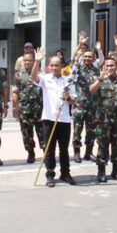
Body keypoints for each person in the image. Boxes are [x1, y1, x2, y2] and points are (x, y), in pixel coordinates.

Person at [32, 48, 77, 187]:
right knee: (49, 148)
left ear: (62, 66)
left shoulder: (68, 80)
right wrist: (37, 61)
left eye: (57, 65)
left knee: (64, 149)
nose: (54, 67)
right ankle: (50, 174)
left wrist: (67, 97)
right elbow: (33, 78)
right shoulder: (45, 79)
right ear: (49, 66)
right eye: (51, 65)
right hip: (49, 119)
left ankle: (65, 173)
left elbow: (74, 100)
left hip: (64, 120)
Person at [89, 56, 117, 183]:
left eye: (111, 65)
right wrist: (101, 79)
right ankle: (101, 171)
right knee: (102, 145)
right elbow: (91, 90)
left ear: (116, 66)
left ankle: (116, 170)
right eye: (107, 66)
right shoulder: (99, 80)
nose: (109, 68)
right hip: (103, 121)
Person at [12, 52, 44, 164]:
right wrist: (14, 108)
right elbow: (15, 92)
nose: (26, 62)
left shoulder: (42, 73)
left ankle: (46, 152)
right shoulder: (18, 75)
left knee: (43, 132)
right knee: (26, 133)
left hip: (40, 109)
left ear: (34, 61)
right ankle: (30, 153)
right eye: (24, 60)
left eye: (29, 60)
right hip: (25, 109)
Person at [71, 45, 100, 163]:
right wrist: (79, 45)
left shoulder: (97, 70)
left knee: (91, 131)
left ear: (94, 59)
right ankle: (77, 153)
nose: (87, 58)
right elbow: (73, 61)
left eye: (90, 57)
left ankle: (89, 152)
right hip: (79, 105)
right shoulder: (78, 69)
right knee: (77, 130)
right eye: (86, 57)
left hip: (93, 106)